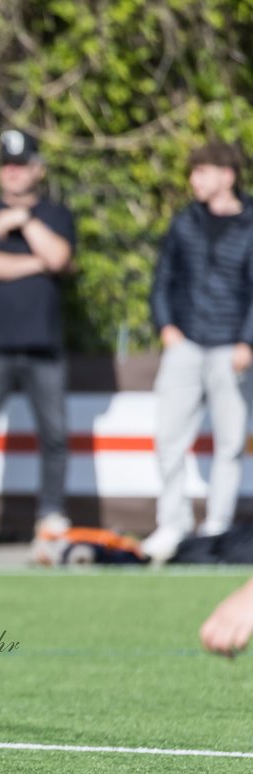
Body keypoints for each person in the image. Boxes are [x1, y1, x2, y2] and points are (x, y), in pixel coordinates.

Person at [0, 130, 76, 551]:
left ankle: (50, 515)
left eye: (21, 164)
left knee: (55, 435)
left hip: (44, 346)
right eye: (6, 164)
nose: (12, 172)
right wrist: (37, 263)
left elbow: (60, 258)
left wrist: (25, 223)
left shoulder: (56, 215)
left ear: (37, 169)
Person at [143, 141, 253, 564]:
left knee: (229, 443)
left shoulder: (250, 223)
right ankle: (172, 524)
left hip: (232, 349)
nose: (194, 180)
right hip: (186, 342)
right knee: (168, 437)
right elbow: (163, 279)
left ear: (227, 175)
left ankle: (217, 528)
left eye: (202, 171)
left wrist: (247, 340)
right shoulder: (184, 223)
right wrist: (166, 327)